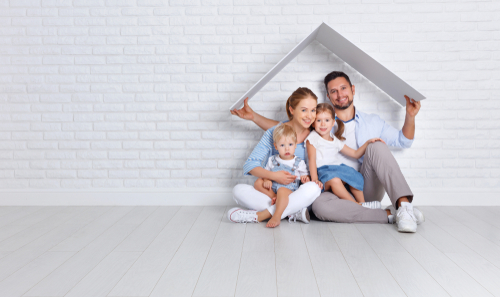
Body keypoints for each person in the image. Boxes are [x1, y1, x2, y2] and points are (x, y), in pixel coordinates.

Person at [230, 71, 424, 233]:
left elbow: (403, 141)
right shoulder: (303, 128)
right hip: (322, 190)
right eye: (333, 91)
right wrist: (254, 117)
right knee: (318, 206)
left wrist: (410, 116)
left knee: (374, 147)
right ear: (328, 97)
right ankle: (388, 215)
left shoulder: (347, 126)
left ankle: (403, 206)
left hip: (350, 186)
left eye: (343, 88)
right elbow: (283, 130)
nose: (339, 95)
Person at [228, 87, 322, 225]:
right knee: (238, 190)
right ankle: (291, 212)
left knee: (314, 188)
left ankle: (263, 215)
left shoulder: (316, 134)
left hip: (297, 193)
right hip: (274, 192)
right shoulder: (275, 132)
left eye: (313, 110)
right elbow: (250, 165)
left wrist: (306, 179)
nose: (309, 115)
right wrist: (275, 176)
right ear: (291, 110)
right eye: (304, 110)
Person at [307, 103, 384, 208]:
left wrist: (367, 143)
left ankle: (364, 203)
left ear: (333, 122)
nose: (323, 124)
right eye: (319, 120)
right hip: (323, 172)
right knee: (335, 180)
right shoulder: (313, 138)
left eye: (327, 120)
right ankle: (356, 205)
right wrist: (315, 180)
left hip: (337, 168)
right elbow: (311, 159)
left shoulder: (334, 140)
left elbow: (355, 154)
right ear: (313, 123)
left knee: (354, 175)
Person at [251, 124, 309, 227]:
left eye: (290, 144)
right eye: (282, 145)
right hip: (273, 189)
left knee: (282, 190)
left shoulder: (299, 162)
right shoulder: (272, 160)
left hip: (288, 190)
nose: (287, 149)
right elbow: (266, 173)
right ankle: (275, 197)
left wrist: (305, 178)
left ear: (295, 145)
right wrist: (266, 180)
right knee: (258, 182)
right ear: (276, 146)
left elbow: (305, 176)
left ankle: (277, 216)